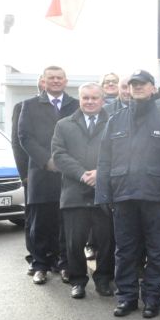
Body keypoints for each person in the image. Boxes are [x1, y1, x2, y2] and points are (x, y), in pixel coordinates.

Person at [95, 69, 160, 319]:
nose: (137, 88)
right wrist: (103, 194)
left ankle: (152, 297)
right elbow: (104, 161)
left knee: (156, 249)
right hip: (123, 196)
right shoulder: (115, 120)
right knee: (125, 250)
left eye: (142, 84)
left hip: (156, 198)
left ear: (152, 87)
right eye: (133, 84)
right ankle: (126, 297)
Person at [51, 83, 114, 299]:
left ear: (102, 100)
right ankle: (77, 281)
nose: (89, 101)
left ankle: (104, 279)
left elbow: (122, 153)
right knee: (74, 241)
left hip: (104, 192)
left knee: (107, 240)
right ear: (79, 99)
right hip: (74, 192)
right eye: (85, 98)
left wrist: (100, 174)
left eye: (94, 98)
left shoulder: (114, 123)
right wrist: (83, 174)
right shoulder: (63, 125)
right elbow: (59, 155)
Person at [18, 66, 79, 285]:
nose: (55, 81)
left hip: (69, 174)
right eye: (51, 78)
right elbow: (25, 137)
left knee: (66, 223)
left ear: (66, 81)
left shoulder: (77, 105)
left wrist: (65, 162)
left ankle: (64, 264)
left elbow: (82, 136)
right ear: (44, 81)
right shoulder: (30, 105)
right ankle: (40, 265)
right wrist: (47, 160)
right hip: (41, 173)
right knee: (40, 222)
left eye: (59, 78)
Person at [12, 74, 44, 274]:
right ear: (41, 82)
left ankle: (55, 257)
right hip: (32, 173)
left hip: (57, 173)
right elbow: (18, 143)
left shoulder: (66, 106)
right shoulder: (23, 106)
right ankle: (35, 258)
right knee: (33, 218)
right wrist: (24, 173)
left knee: (55, 217)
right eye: (47, 79)